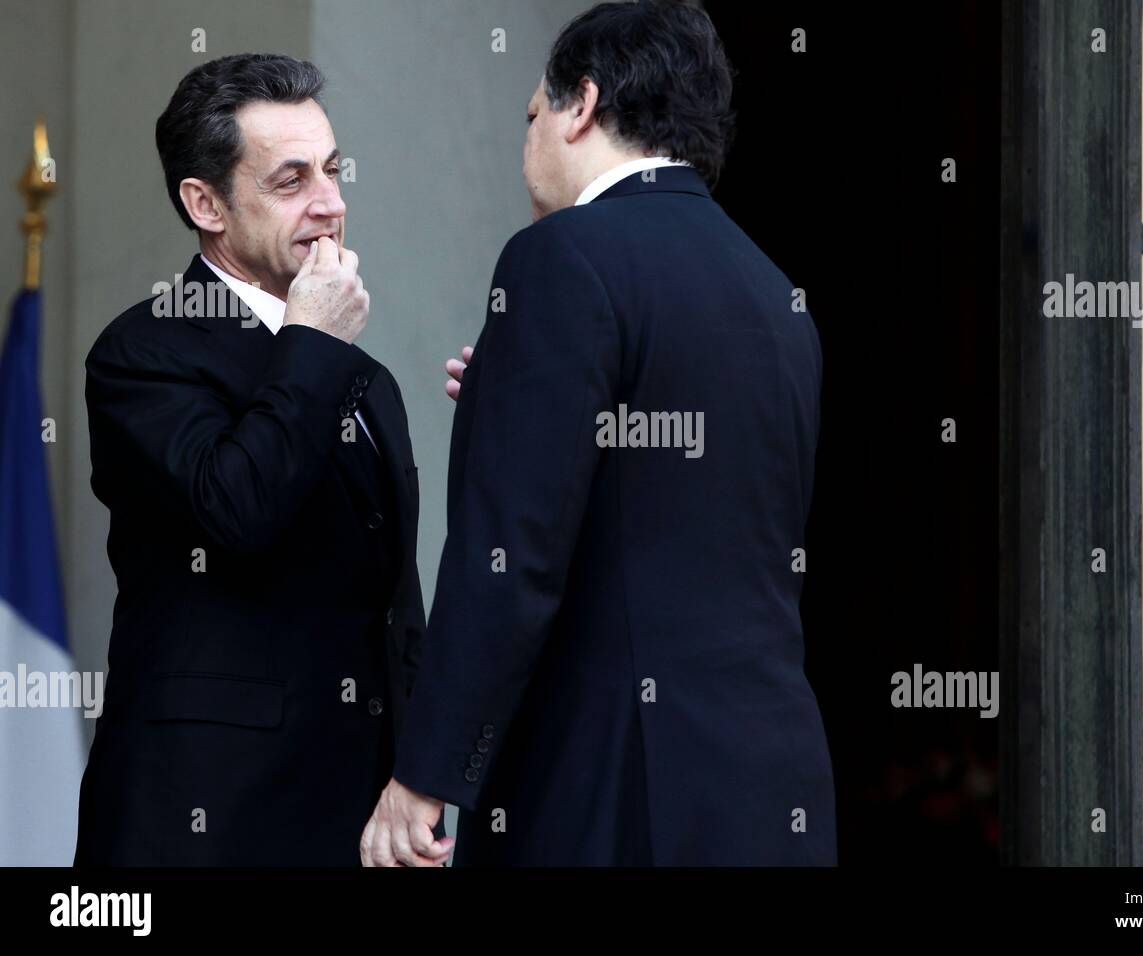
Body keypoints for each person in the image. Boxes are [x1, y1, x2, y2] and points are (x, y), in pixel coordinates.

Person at [362, 0, 836, 866]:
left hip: (613, 785)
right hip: (769, 786)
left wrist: (425, 777)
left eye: (532, 114)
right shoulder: (778, 296)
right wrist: (518, 406)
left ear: (581, 104)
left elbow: (511, 558)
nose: (528, 141)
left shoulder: (562, 257)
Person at [75, 53, 435, 865]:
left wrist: (420, 774)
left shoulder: (359, 373)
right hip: (208, 813)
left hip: (363, 815)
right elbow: (237, 508)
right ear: (205, 203)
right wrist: (310, 343)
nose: (332, 204)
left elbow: (394, 602)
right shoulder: (144, 349)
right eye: (292, 180)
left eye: (334, 171)